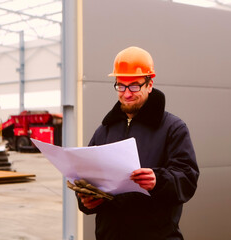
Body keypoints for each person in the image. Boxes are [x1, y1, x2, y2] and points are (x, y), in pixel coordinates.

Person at [77, 46, 199, 240]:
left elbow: (187, 179)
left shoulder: (173, 128)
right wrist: (87, 201)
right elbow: (88, 177)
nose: (126, 93)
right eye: (121, 85)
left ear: (150, 84)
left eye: (134, 85)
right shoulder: (104, 130)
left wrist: (157, 180)